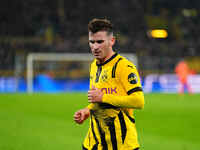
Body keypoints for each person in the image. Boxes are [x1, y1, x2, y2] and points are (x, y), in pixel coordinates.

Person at [74, 18, 145, 150]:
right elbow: (97, 100)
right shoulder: (93, 66)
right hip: (93, 144)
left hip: (121, 145)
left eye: (100, 42)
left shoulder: (124, 67)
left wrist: (104, 98)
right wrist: (87, 110)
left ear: (112, 41)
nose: (95, 47)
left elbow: (139, 101)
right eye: (92, 42)